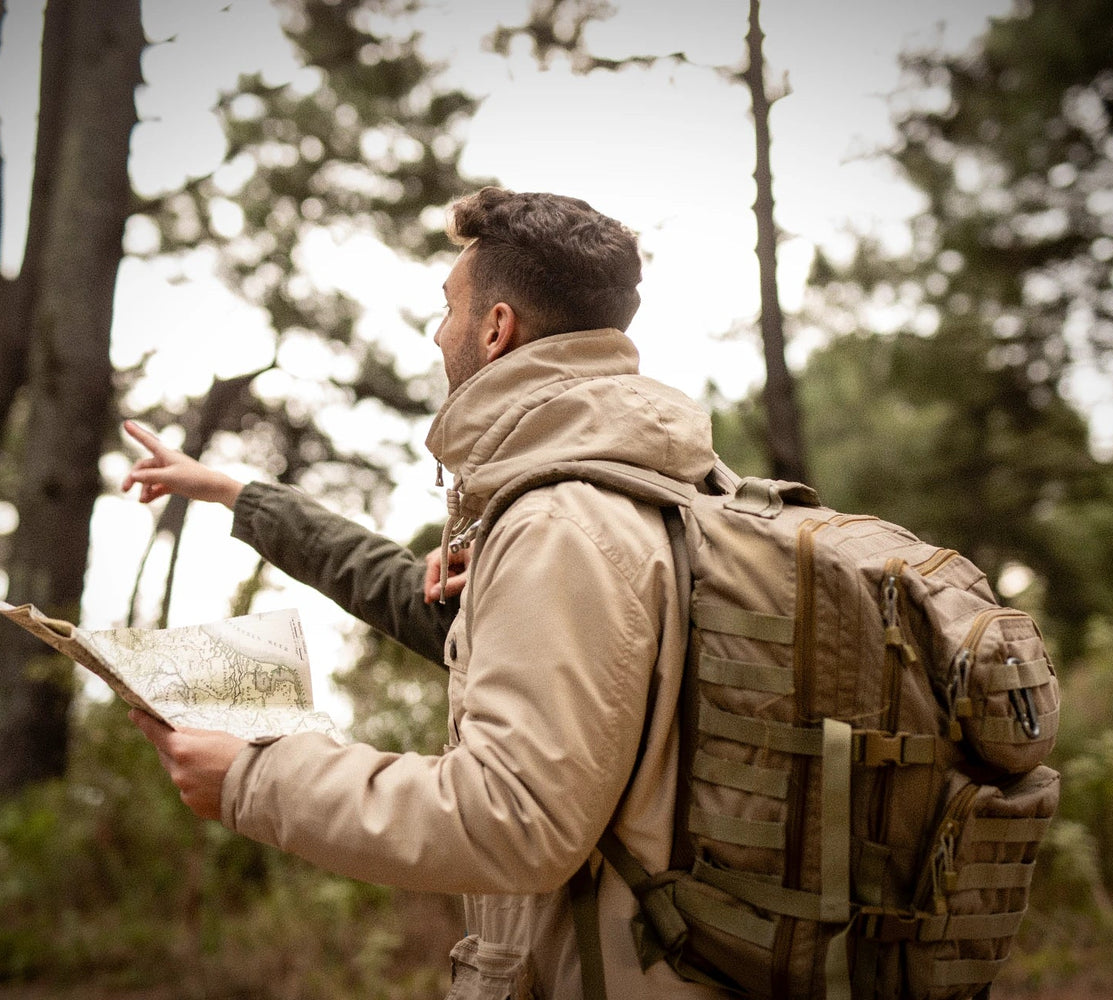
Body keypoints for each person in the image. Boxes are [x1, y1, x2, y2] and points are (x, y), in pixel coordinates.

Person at [122, 187, 724, 999]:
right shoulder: (672, 490)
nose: (438, 332)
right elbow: (415, 602)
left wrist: (251, 780)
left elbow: (514, 820)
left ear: (497, 327)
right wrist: (235, 492)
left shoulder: (562, 526)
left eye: (448, 307)